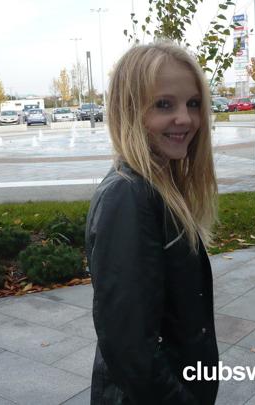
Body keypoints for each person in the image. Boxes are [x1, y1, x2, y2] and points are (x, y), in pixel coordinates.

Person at [86, 41, 219, 405]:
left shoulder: (158, 187)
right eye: (164, 104)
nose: (186, 119)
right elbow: (130, 350)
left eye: (193, 103)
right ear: (129, 111)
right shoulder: (129, 196)